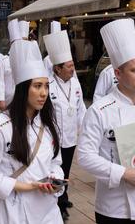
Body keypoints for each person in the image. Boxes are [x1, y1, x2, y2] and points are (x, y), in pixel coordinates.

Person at [78, 19, 135, 224]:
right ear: (118, 73)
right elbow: (84, 156)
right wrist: (122, 173)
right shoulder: (99, 111)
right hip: (114, 208)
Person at [0, 38, 64, 224]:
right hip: (11, 211)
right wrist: (22, 186)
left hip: (48, 211)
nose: (44, 93)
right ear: (23, 89)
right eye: (37, 86)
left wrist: (55, 180)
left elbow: (56, 163)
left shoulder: (48, 125)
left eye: (46, 86)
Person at [43, 26, 87, 220]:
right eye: (68, 67)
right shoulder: (47, 85)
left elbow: (80, 108)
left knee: (66, 168)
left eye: (72, 65)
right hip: (53, 138)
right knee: (54, 170)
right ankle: (57, 204)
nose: (72, 69)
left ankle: (64, 196)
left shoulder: (75, 84)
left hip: (70, 136)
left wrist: (84, 129)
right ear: (57, 68)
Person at [0, 19, 21, 111]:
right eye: (15, 43)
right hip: (7, 99)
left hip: (22, 98)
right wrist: (1, 100)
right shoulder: (3, 61)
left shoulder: (24, 60)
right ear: (11, 44)